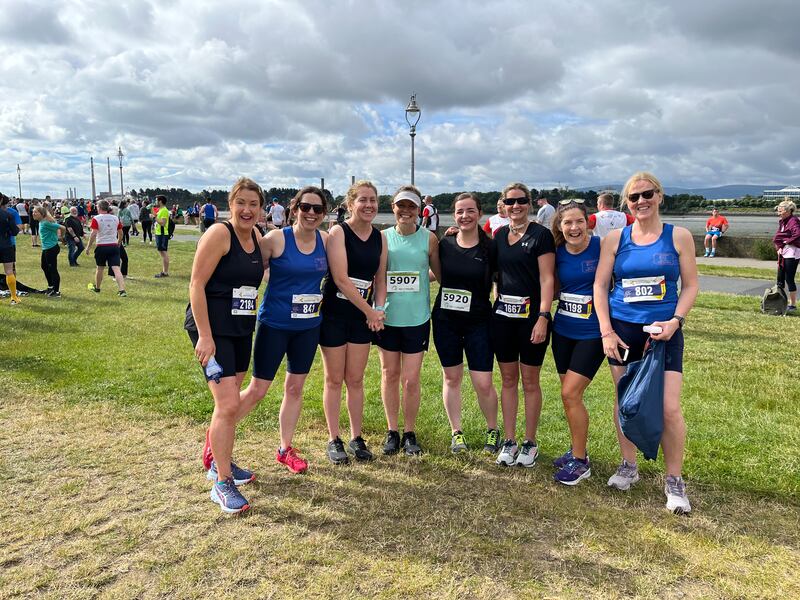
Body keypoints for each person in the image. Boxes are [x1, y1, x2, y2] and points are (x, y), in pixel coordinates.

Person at [593, 172, 699, 515]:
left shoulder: (678, 236)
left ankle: (674, 480)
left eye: (647, 194)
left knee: (668, 407)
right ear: (626, 203)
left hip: (664, 332)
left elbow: (691, 286)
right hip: (623, 330)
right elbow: (600, 287)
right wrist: (607, 331)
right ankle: (628, 465)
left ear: (660, 195)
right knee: (625, 401)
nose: (641, 201)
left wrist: (675, 321)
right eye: (634, 197)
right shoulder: (614, 239)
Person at [188, 177, 265, 514]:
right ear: (230, 204)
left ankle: (222, 459)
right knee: (229, 404)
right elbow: (196, 284)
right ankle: (221, 482)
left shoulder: (258, 238)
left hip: (239, 329)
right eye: (241, 203)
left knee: (230, 403)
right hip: (212, 330)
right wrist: (204, 336)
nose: (247, 210)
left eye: (254, 204)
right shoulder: (220, 234)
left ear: (261, 208)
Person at [240, 186, 330, 474]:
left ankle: (284, 448)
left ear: (324, 214)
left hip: (308, 327)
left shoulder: (326, 241)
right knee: (258, 389)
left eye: (317, 209)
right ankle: (217, 435)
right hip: (274, 325)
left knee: (294, 388)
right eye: (306, 207)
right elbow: (250, 264)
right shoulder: (276, 239)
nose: (311, 213)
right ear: (295, 209)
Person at [320, 180, 387, 464]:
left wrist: (379, 308)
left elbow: (380, 278)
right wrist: (370, 311)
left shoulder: (380, 237)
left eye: (373, 200)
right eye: (362, 200)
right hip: (336, 314)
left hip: (362, 318)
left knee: (356, 379)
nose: (369, 205)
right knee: (334, 379)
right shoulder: (338, 232)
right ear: (350, 205)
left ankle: (356, 437)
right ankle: (334, 438)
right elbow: (342, 280)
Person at [490, 183, 555, 468]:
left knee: (530, 381)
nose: (515, 206)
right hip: (503, 318)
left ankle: (529, 441)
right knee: (507, 380)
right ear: (502, 205)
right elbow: (493, 272)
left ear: (529, 204)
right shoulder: (499, 235)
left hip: (532, 319)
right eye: (510, 201)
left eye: (521, 201)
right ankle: (510, 439)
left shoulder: (541, 235)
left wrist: (543, 316)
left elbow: (547, 279)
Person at [374, 185, 441, 456]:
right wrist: (378, 309)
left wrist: (423, 279)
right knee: (389, 375)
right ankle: (392, 431)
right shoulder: (383, 238)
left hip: (416, 319)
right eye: (401, 206)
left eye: (411, 206)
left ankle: (410, 432)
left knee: (411, 380)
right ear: (393, 208)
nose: (406, 211)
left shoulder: (429, 239)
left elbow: (440, 273)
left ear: (419, 210)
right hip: (388, 318)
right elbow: (379, 276)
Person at [435, 193, 499, 453]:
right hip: (445, 320)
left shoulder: (491, 247)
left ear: (480, 214)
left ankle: (493, 430)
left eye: (470, 211)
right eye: (460, 211)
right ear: (454, 215)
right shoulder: (445, 243)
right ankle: (456, 432)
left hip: (479, 322)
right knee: (451, 377)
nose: (465, 216)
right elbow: (433, 272)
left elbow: (499, 282)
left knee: (483, 382)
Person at [549, 199, 605, 485]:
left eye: (578, 222)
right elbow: (553, 287)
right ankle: (576, 450)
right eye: (567, 223)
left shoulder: (602, 248)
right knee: (570, 396)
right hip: (562, 332)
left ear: (588, 222)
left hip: (593, 334)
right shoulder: (556, 252)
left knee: (571, 394)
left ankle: (581, 461)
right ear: (560, 226)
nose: (573, 227)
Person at [85, 200, 127, 297]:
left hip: (102, 246)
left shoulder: (96, 218)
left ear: (99, 208)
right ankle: (122, 290)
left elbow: (93, 233)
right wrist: (119, 242)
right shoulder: (115, 218)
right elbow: (121, 232)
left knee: (100, 268)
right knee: (116, 268)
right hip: (113, 245)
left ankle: (97, 288)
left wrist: (88, 247)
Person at [32, 205, 66, 297]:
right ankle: (51, 287)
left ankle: (56, 291)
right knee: (44, 266)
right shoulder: (41, 222)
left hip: (51, 248)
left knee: (52, 269)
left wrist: (61, 237)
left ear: (42, 214)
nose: (33, 213)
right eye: (33, 212)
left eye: (36, 212)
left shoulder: (46, 223)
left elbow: (63, 228)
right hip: (46, 248)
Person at [773, 199, 800, 311]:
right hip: (784, 251)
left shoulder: (793, 220)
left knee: (789, 278)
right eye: (778, 211)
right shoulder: (782, 221)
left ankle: (792, 305)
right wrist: (779, 247)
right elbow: (779, 236)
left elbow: (797, 234)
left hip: (793, 252)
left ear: (788, 211)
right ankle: (778, 301)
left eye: (780, 211)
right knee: (780, 278)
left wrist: (786, 242)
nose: (778, 213)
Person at [0, 195, 21, 305]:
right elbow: (15, 232)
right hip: (6, 245)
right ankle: (13, 297)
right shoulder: (8, 214)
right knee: (9, 271)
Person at [154, 195, 171, 277]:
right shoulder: (160, 210)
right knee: (161, 252)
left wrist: (155, 217)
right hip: (159, 233)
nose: (155, 202)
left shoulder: (164, 210)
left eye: (156, 200)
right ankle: (164, 271)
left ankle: (165, 272)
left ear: (160, 201)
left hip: (162, 234)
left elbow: (163, 223)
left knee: (163, 252)